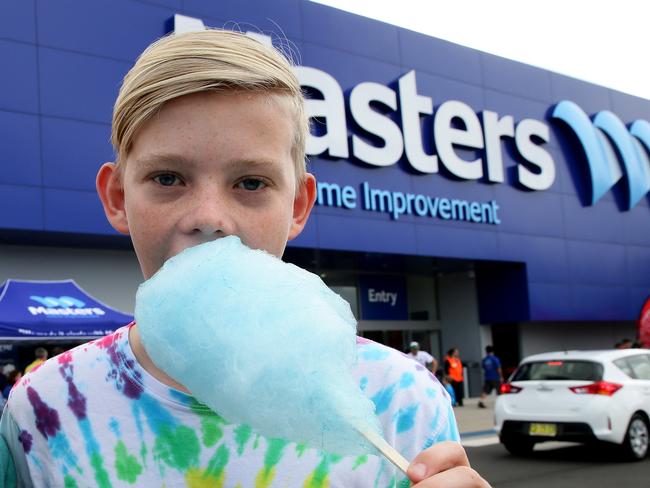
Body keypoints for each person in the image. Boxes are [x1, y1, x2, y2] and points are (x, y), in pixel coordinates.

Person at [0, 29, 489, 488]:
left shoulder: (404, 401)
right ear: (117, 198)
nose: (210, 218)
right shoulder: (43, 408)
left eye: (251, 183)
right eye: (168, 178)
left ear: (297, 205)